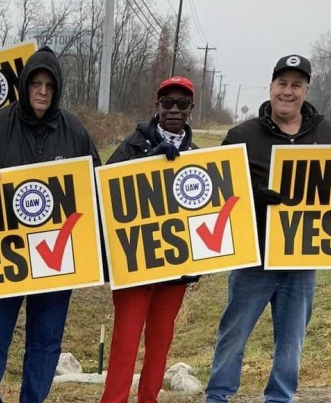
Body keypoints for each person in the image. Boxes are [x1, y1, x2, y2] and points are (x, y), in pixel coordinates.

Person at [0, 46, 102, 403]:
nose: (42, 91)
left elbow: (97, 184)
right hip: (4, 256)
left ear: (58, 88)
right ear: (25, 85)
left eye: (49, 84)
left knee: (46, 341)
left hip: (57, 259)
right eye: (36, 83)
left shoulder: (74, 130)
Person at [203, 55, 331, 403]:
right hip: (254, 260)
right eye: (282, 84)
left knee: (291, 342)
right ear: (271, 87)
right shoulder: (241, 135)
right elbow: (216, 194)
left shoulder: (327, 134)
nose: (288, 92)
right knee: (233, 336)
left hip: (300, 261)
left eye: (296, 85)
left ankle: (279, 398)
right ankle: (217, 396)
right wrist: (252, 199)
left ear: (306, 90)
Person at [100, 76, 200, 403]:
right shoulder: (132, 144)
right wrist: (146, 163)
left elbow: (205, 213)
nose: (174, 110)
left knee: (159, 344)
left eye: (181, 104)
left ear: (191, 109)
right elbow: (104, 191)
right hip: (135, 264)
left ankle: (148, 399)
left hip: (175, 269)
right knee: (126, 343)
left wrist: (201, 259)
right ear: (157, 106)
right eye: (167, 103)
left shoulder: (198, 156)